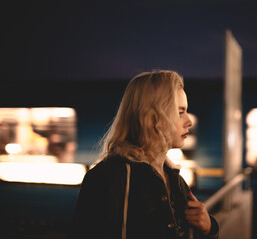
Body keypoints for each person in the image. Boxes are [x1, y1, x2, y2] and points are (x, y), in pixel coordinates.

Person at [68, 70, 219, 239]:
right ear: (152, 117)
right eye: (179, 112)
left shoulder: (177, 180)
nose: (189, 122)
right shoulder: (107, 179)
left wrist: (208, 228)